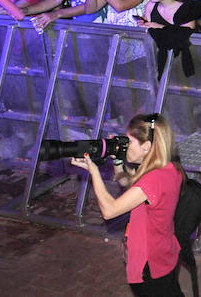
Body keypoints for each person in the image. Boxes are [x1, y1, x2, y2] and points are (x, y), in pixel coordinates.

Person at [71, 113, 184, 296]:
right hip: (164, 253)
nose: (125, 145)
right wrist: (118, 158)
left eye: (129, 142)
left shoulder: (153, 179)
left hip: (150, 263)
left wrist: (94, 172)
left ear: (146, 146)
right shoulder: (168, 168)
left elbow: (109, 211)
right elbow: (128, 182)